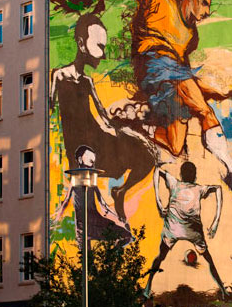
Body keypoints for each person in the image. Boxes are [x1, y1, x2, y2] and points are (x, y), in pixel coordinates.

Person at [62, 0, 232, 213]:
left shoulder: (188, 35)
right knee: (204, 112)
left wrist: (220, 94)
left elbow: (186, 78)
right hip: (153, 64)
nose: (206, 12)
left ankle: (137, 124)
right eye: (204, 3)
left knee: (175, 146)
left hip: (169, 79)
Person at [50, 12, 156, 221]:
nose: (103, 54)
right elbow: (49, 110)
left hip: (96, 138)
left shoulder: (88, 81)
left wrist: (133, 134)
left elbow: (103, 116)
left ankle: (121, 191)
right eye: (99, 46)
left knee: (147, 156)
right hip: (81, 147)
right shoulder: (59, 75)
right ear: (81, 44)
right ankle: (93, 214)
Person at [144, 161, 227, 299]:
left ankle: (147, 288)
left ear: (181, 174)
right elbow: (218, 188)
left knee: (160, 257)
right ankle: (224, 290)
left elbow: (157, 170)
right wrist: (215, 222)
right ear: (195, 176)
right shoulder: (199, 189)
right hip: (192, 231)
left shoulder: (174, 183)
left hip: (173, 229)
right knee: (209, 260)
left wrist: (159, 203)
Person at [51, 145, 133, 250]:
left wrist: (118, 218)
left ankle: (110, 256)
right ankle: (110, 255)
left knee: (126, 236)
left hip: (90, 224)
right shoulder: (76, 180)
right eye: (90, 161)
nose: (92, 165)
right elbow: (66, 202)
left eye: (93, 163)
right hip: (86, 226)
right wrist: (56, 219)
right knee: (126, 236)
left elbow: (103, 205)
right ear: (80, 160)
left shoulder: (88, 181)